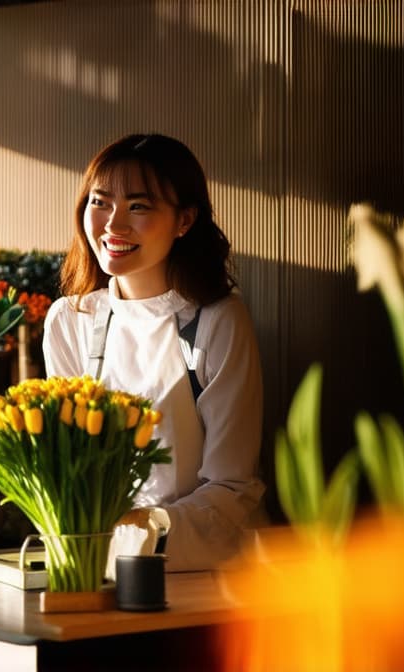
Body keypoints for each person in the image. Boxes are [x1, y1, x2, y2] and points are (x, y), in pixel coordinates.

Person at [42, 133, 265, 571]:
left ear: (184, 220)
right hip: (99, 563)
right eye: (99, 202)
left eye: (139, 207)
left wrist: (135, 539)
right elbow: (73, 471)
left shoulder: (217, 321)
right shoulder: (70, 321)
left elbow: (232, 487)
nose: (113, 226)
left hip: (204, 563)